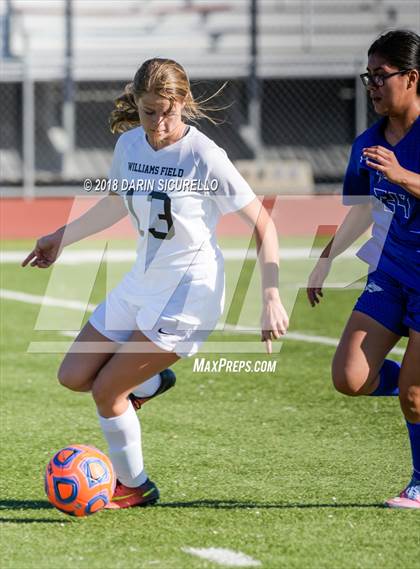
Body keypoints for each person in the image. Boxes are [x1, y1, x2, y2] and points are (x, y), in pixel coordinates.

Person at [22, 58, 289, 510]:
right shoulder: (129, 145)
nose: (159, 122)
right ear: (137, 104)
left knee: (108, 391)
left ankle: (136, 485)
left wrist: (270, 295)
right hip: (140, 283)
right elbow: (114, 204)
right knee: (73, 375)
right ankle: (148, 384)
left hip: (188, 295)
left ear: (182, 103)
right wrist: (59, 239)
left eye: (167, 111)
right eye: (149, 112)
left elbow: (264, 223)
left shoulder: (205, 157)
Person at [307, 30, 419, 509]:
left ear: (412, 78)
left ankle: (419, 481)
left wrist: (404, 177)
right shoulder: (367, 143)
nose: (372, 85)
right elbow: (362, 208)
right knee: (349, 377)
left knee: (414, 395)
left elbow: (397, 183)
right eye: (368, 76)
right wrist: (325, 258)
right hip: (393, 274)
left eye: (382, 76)